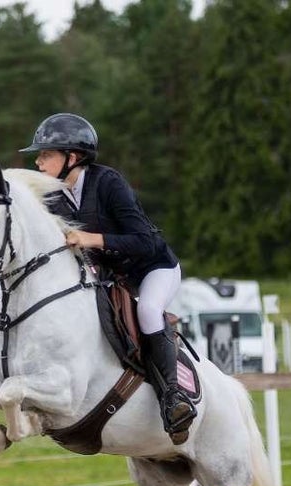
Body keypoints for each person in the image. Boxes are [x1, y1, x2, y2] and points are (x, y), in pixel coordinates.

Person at [19, 112, 196, 442]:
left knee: (147, 312)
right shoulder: (52, 197)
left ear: (73, 157)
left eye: (46, 155)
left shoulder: (108, 183)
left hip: (153, 269)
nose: (39, 164)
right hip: (113, 278)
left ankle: (173, 398)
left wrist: (93, 239)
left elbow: (146, 241)